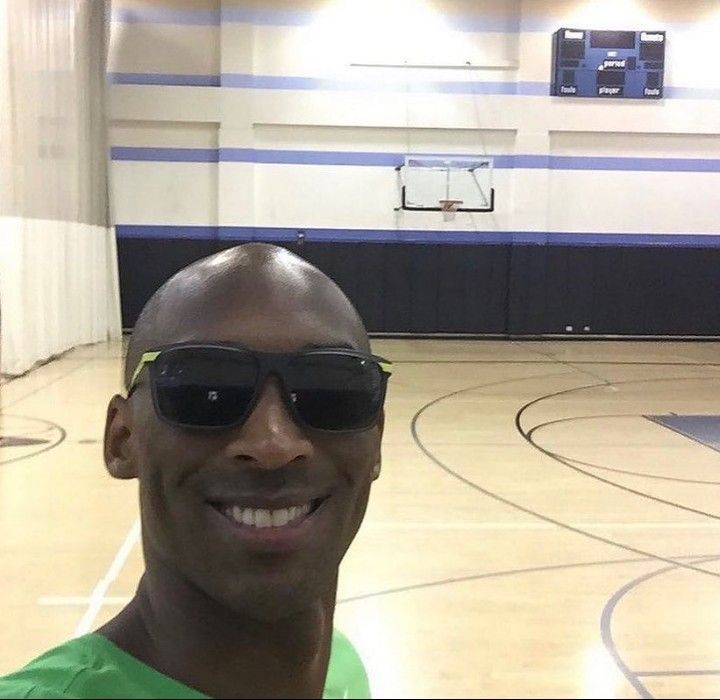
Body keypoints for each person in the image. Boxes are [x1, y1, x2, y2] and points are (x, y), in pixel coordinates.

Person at [0, 243, 392, 699]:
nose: (274, 444)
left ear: (377, 441)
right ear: (122, 440)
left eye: (332, 389)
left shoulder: (340, 669)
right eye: (204, 388)